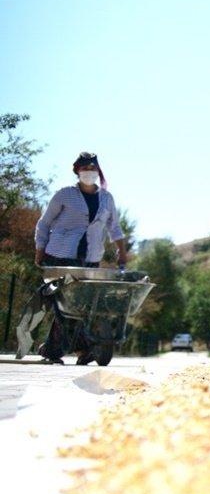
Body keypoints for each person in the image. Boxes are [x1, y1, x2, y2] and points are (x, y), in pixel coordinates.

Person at [33, 152, 128, 364]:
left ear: (98, 171)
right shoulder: (64, 195)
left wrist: (122, 251)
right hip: (61, 255)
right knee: (65, 304)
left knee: (82, 306)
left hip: (91, 259)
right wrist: (40, 250)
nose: (89, 172)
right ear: (77, 171)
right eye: (84, 168)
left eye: (92, 168)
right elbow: (44, 223)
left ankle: (65, 349)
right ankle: (67, 349)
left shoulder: (106, 198)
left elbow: (114, 227)